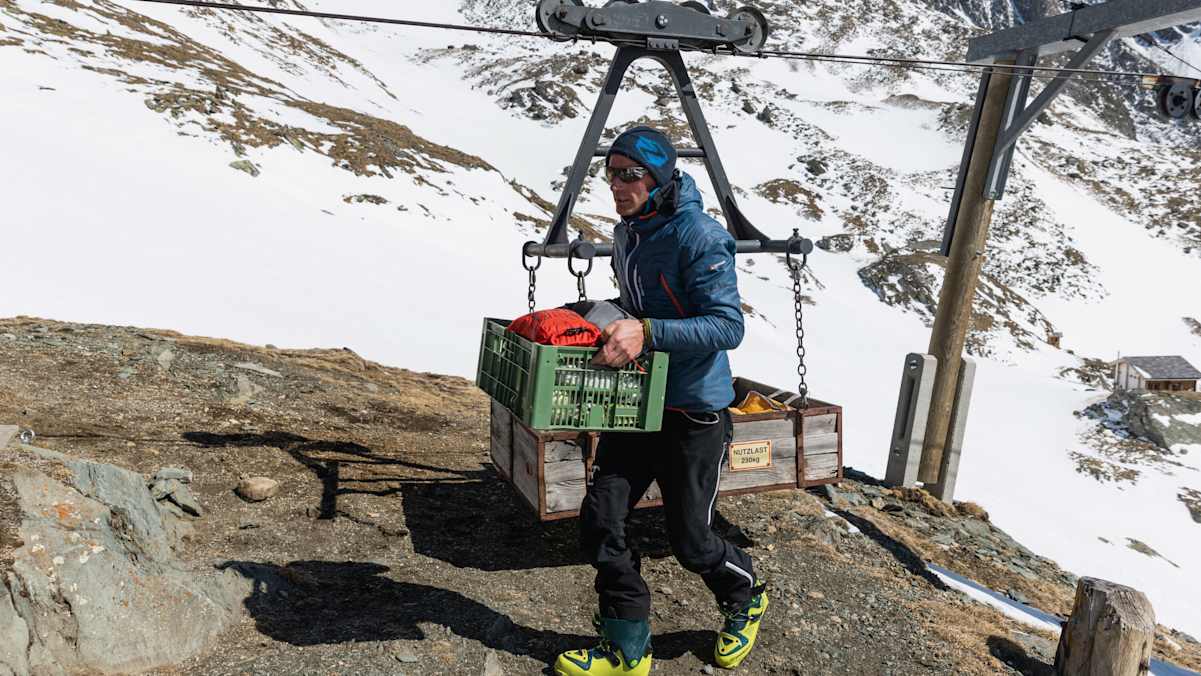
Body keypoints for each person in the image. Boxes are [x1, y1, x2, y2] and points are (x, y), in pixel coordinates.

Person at [554, 127, 766, 676]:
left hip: (694, 409)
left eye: (630, 175)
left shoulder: (699, 235)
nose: (617, 186)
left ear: (658, 176)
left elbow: (726, 326)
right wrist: (598, 316)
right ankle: (627, 650)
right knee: (601, 517)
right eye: (611, 174)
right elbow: (639, 301)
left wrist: (646, 332)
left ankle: (745, 597)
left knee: (692, 541)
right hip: (638, 402)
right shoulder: (630, 233)